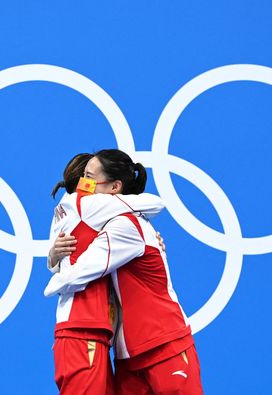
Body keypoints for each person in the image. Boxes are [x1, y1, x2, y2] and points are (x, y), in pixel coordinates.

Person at [46, 149, 203, 395]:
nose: (81, 186)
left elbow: (85, 267)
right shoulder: (98, 214)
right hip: (127, 353)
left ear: (114, 188)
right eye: (81, 177)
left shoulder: (125, 224)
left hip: (164, 343)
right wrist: (54, 258)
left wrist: (53, 281)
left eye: (89, 178)